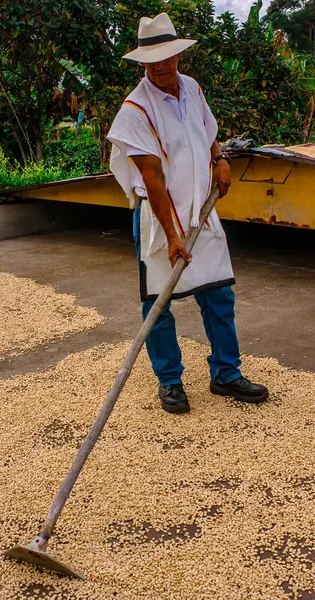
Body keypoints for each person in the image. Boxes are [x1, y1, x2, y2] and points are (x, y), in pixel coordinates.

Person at [108, 13, 269, 414]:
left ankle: (226, 374)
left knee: (219, 294)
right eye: (153, 60)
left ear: (178, 54)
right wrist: (174, 235)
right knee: (159, 302)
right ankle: (170, 381)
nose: (162, 66)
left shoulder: (191, 88)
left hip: (201, 208)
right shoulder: (135, 111)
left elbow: (207, 131)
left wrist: (221, 158)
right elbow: (154, 178)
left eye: (168, 57)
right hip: (160, 218)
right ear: (142, 62)